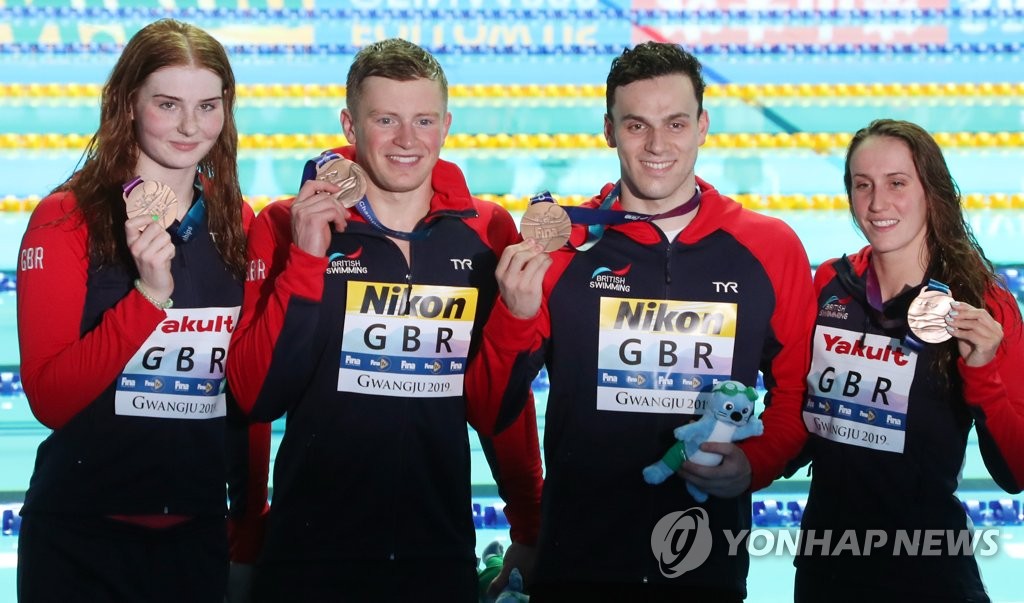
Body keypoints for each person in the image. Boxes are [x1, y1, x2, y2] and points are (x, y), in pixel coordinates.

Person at [467, 41, 816, 601]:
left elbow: (798, 390)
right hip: (577, 561)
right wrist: (513, 315)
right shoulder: (564, 251)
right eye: (636, 125)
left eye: (675, 123)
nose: (658, 145)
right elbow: (488, 408)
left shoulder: (768, 248)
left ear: (702, 126)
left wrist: (754, 464)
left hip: (704, 564)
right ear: (609, 130)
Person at [226, 38, 542, 601]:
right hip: (308, 553)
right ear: (350, 124)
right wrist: (305, 257)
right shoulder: (283, 224)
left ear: (446, 125)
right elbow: (253, 396)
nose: (406, 140)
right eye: (385, 119)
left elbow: (498, 408)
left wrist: (530, 521)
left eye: (423, 120)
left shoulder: (486, 232)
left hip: (437, 549)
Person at [15, 18, 269, 603]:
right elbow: (50, 399)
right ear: (128, 103)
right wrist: (149, 299)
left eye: (208, 106)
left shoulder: (239, 224)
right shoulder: (65, 219)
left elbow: (243, 396)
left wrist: (249, 519)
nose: (189, 126)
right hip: (80, 539)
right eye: (167, 104)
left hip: (197, 538)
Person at [794, 119, 1024, 602]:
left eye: (897, 184)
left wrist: (981, 370)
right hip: (826, 567)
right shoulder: (831, 288)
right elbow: (803, 424)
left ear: (930, 192)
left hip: (929, 570)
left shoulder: (985, 305)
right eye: (863, 185)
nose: (878, 204)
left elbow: (1015, 473)